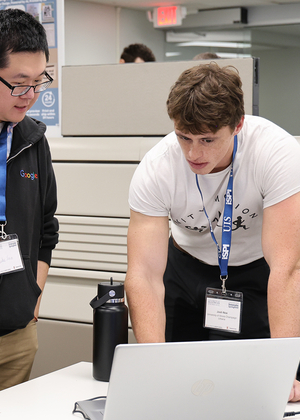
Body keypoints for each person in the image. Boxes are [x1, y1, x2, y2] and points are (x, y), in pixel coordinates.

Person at [125, 62, 300, 401]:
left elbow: (287, 268)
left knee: (255, 385)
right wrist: (151, 364)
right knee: (175, 384)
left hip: (255, 271)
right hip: (184, 266)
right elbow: (143, 274)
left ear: (237, 126)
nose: (194, 153)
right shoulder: (156, 168)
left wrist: (284, 368)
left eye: (207, 139)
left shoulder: (276, 154)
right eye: (184, 137)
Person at [0, 8, 58, 390]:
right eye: (20, 83)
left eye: (39, 81)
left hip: (16, 336)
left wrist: (31, 303)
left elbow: (46, 229)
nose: (32, 96)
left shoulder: (32, 139)